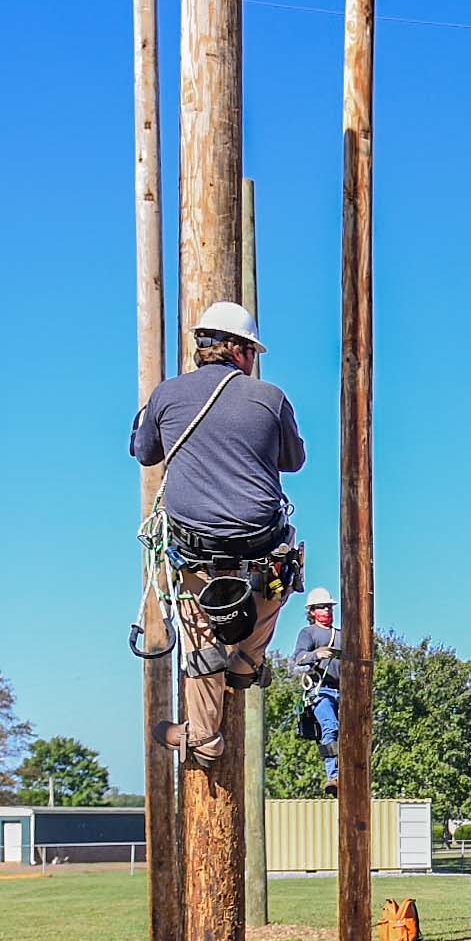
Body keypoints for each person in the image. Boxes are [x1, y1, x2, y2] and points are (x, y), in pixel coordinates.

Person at [130, 300, 306, 769]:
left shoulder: (167, 395)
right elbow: (294, 461)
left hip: (198, 557)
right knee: (271, 596)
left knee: (202, 634)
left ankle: (205, 737)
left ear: (201, 348)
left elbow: (144, 452)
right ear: (242, 352)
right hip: (263, 552)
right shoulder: (270, 397)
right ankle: (246, 665)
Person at [290, 586, 345, 794]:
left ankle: (346, 772)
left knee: (349, 733)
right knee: (330, 726)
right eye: (322, 607)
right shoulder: (309, 633)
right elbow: (299, 658)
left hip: (344, 690)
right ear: (312, 611)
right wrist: (316, 655)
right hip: (321, 691)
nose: (327, 611)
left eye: (329, 607)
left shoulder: (340, 634)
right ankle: (333, 776)